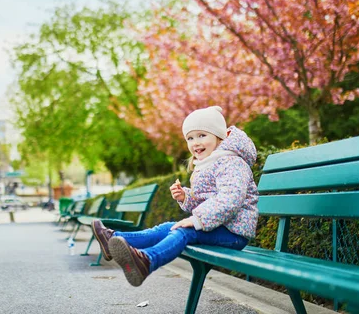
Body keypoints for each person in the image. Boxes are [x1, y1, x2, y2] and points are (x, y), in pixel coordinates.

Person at [91, 106, 258, 287]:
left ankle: (147, 261)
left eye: (202, 135)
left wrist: (197, 220)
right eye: (190, 138)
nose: (195, 143)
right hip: (217, 226)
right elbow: (206, 199)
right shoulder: (209, 162)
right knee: (168, 227)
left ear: (220, 136)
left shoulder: (231, 162)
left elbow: (230, 200)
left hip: (233, 233)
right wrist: (185, 197)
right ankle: (113, 239)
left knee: (184, 231)